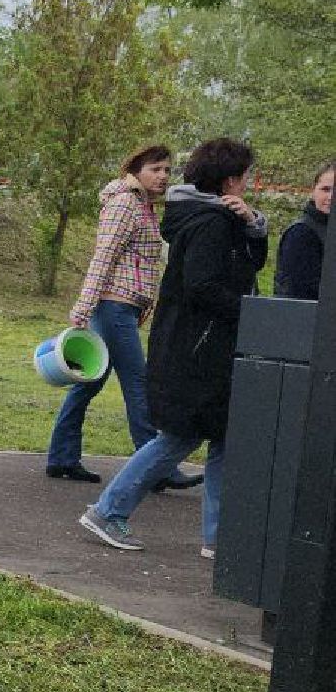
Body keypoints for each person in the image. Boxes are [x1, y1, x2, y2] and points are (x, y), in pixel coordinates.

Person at [80, 138, 268, 557]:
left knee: (223, 437)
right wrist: (252, 311)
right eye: (244, 179)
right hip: (196, 348)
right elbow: (202, 285)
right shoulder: (209, 222)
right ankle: (109, 509)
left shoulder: (217, 217)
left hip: (207, 345)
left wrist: (254, 224)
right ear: (231, 181)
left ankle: (218, 538)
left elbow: (248, 263)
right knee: (179, 436)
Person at [45, 145, 201, 489]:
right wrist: (83, 308)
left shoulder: (142, 205)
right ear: (137, 170)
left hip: (124, 308)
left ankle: (61, 458)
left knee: (90, 382)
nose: (162, 176)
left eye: (166, 170)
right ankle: (156, 469)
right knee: (139, 385)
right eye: (155, 169)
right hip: (113, 308)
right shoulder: (123, 204)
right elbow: (104, 258)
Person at [275, 160, 333, 300]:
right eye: (325, 189)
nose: (331, 197)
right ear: (313, 191)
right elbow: (298, 292)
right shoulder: (301, 234)